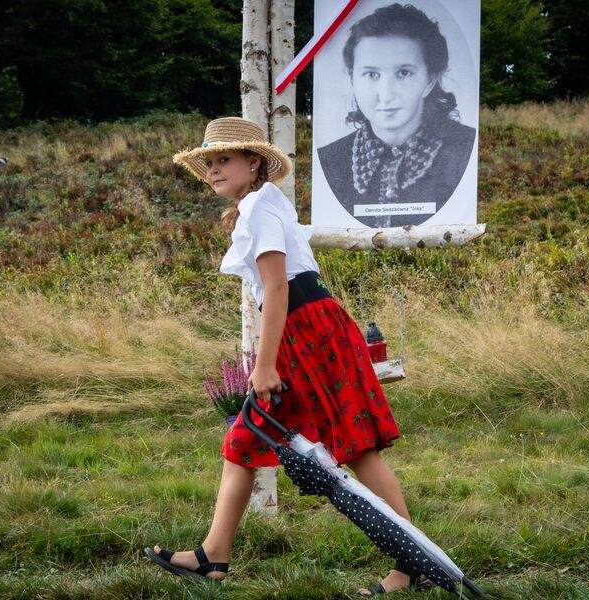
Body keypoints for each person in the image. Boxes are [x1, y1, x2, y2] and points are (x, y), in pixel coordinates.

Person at [144, 117, 429, 596]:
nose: (213, 169)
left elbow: (278, 288)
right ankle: (214, 553)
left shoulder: (259, 208)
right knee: (245, 438)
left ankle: (412, 562)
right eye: (208, 162)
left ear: (253, 162)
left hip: (309, 333)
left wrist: (264, 364)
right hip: (305, 329)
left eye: (224, 160)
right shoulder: (259, 205)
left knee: (356, 449)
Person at [318, 3, 476, 228]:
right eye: (371, 74)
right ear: (352, 78)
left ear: (430, 80)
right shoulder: (329, 159)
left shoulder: (466, 148)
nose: (386, 94)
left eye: (403, 73)